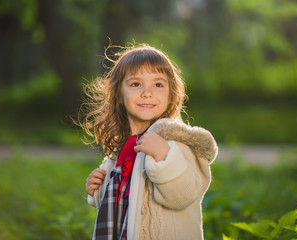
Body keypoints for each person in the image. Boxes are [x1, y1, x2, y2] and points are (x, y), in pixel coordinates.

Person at [80, 43, 218, 240]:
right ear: (118, 93)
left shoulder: (175, 144)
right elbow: (120, 209)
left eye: (158, 84)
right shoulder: (122, 151)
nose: (147, 92)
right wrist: (99, 188)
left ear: (171, 94)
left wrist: (165, 157)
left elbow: (184, 195)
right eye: (135, 84)